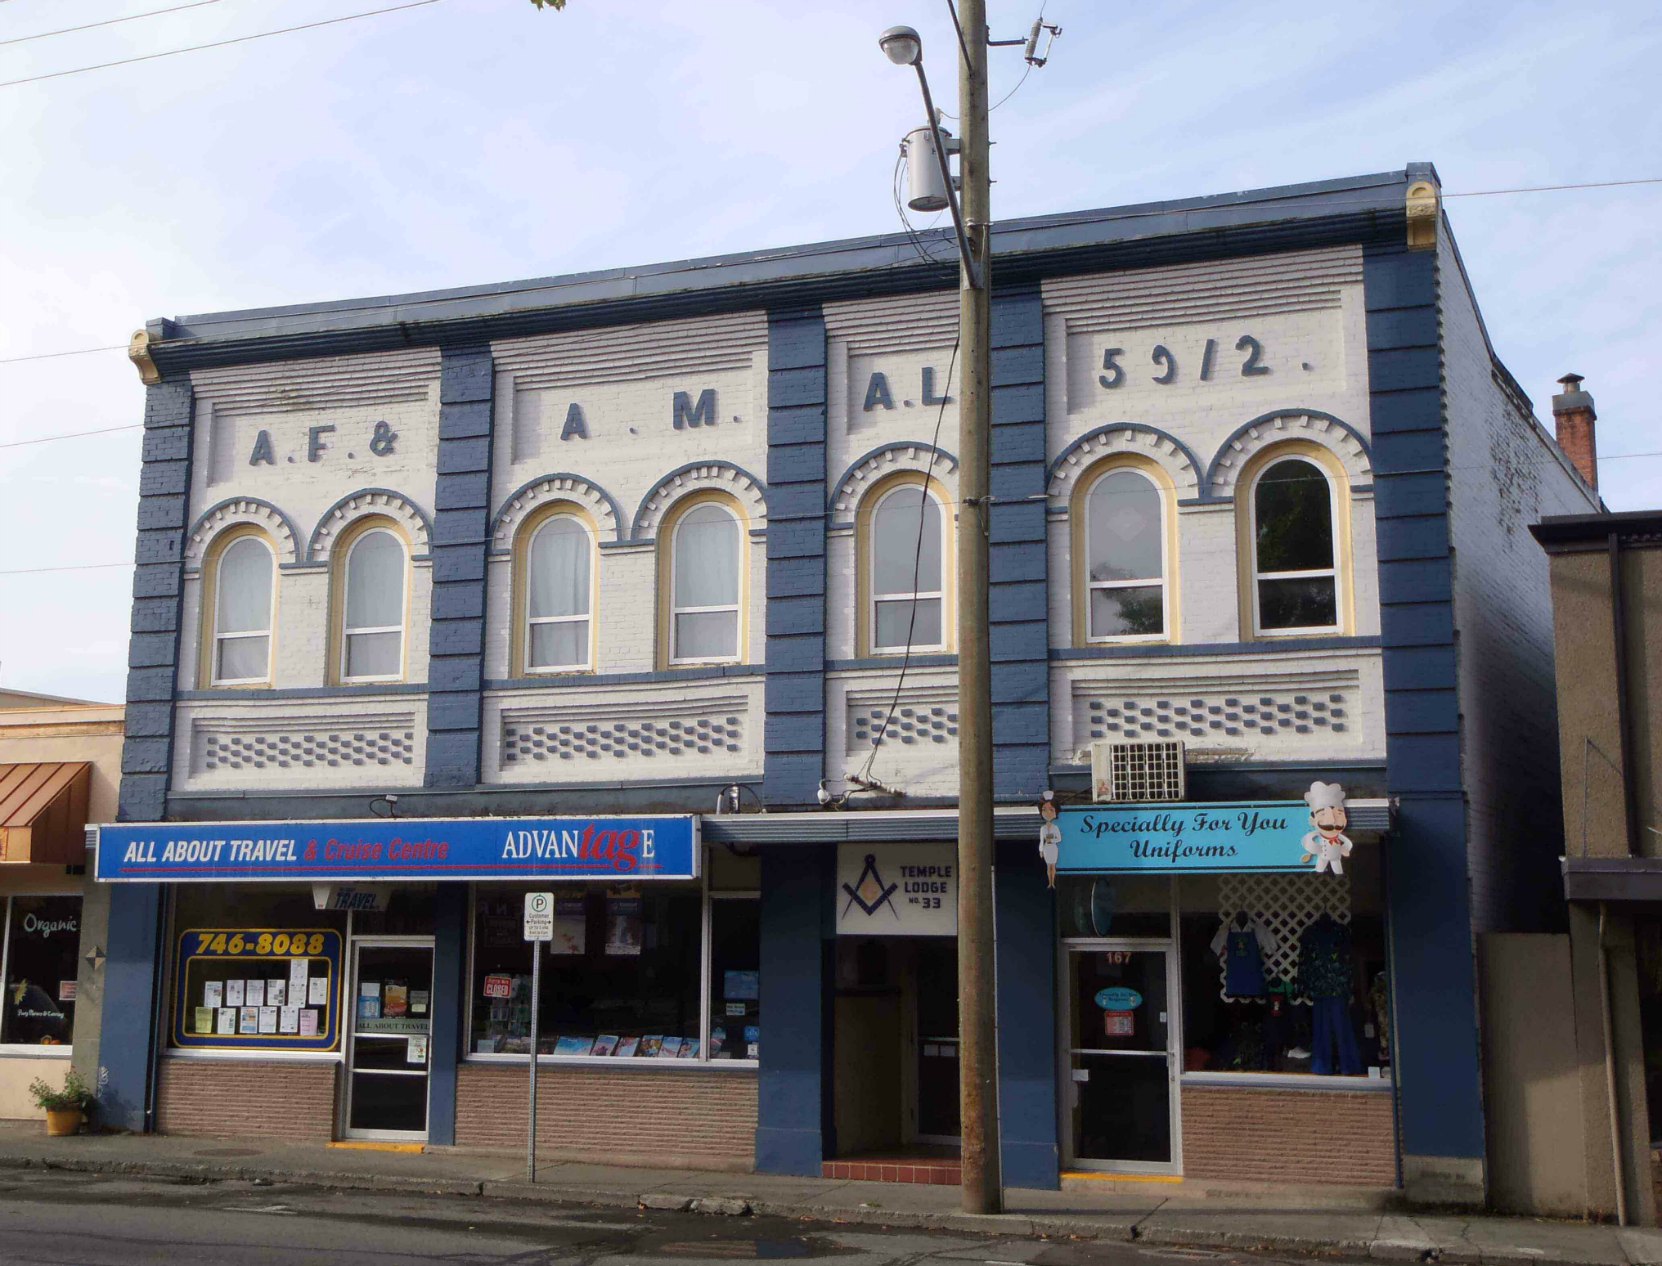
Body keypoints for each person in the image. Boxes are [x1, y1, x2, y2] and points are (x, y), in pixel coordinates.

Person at [1301, 781, 1353, 874]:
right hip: (1322, 856)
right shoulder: (1315, 834)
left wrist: (1343, 849)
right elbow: (1308, 841)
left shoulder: (1339, 837)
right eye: (1323, 814)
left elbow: (1347, 844)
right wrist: (1316, 849)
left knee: (1338, 869)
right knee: (1320, 868)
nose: (1332, 821)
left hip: (1336, 857)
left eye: (1339, 814)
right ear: (1312, 820)